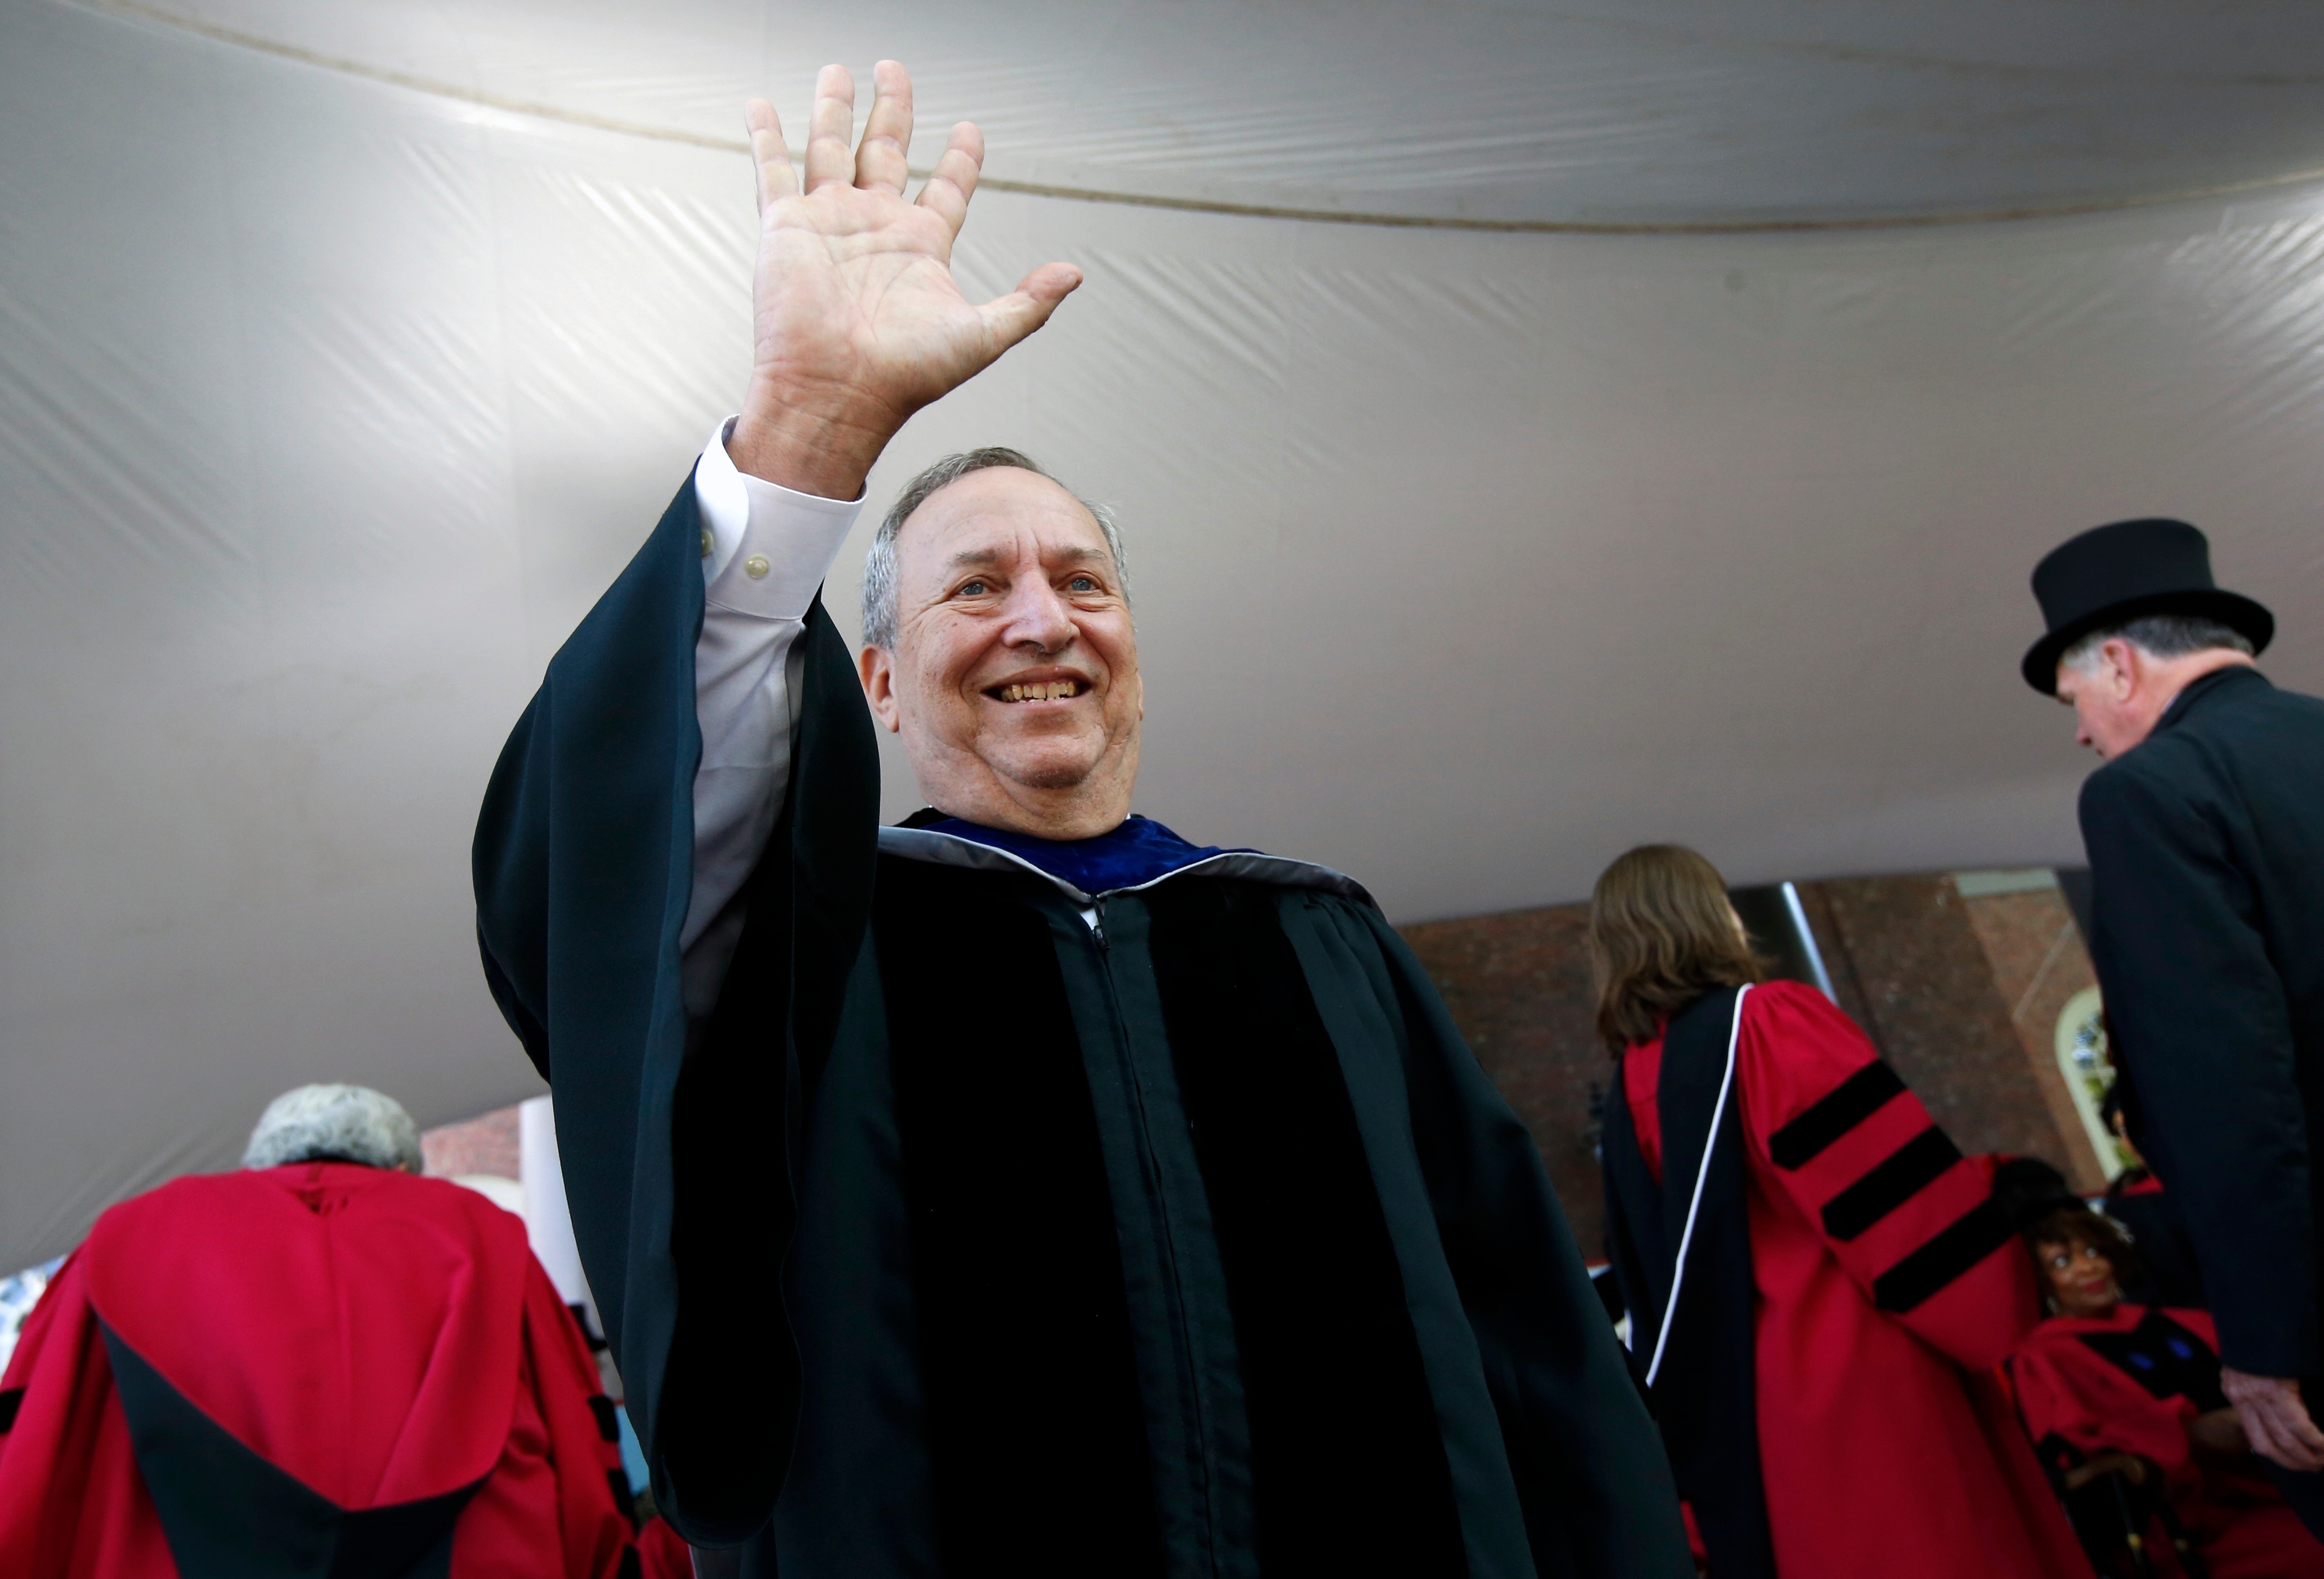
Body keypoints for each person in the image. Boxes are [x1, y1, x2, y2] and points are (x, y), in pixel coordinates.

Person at [471, 59, 1691, 1579]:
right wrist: (803, 439)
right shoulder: (811, 959)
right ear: (879, 683)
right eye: (975, 587)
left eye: (1083, 581)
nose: (1040, 619)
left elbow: (1537, 1361)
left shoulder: (1317, 936)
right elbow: (591, 898)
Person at [1590, 844, 2088, 1579]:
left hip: (1763, 1410)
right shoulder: (1768, 1024)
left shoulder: (1636, 1082)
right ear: (1706, 915)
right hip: (1863, 1374)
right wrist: (2002, 1286)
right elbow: (1897, 1201)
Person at [0, 1084, 643, 1577]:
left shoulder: (125, 1239)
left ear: (260, 1160)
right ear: (400, 1166)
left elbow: (33, 1451)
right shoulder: (483, 1236)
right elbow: (579, 1448)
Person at [2024, 517, 2324, 1531]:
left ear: (2116, 664)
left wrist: (2267, 1341)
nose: (2080, 732)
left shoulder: (2149, 792)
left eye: (2073, 702)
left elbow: (2225, 1085)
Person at [2007, 1201, 2324, 1578]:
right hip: (2188, 1518)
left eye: (2092, 1251)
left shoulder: (2182, 1322)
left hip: (2281, 1477)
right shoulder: (2044, 1357)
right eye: (2062, 1263)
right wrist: (2188, 1433)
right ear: (2039, 1284)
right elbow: (2076, 1446)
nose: (2087, 1267)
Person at [2097, 1081, 2206, 1311]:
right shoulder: (2125, 1208)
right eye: (2122, 1131)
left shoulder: (2210, 1181)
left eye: (2137, 1124)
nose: (2133, 1139)